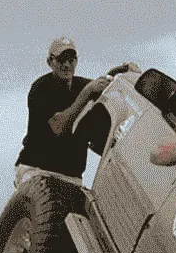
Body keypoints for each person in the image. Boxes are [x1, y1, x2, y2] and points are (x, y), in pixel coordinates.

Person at [13, 38, 135, 188]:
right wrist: (86, 93)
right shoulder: (41, 89)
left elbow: (110, 86)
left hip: (71, 176)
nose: (66, 65)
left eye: (71, 60)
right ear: (50, 62)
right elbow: (58, 127)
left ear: (76, 61)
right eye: (61, 60)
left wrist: (126, 72)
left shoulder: (83, 85)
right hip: (38, 170)